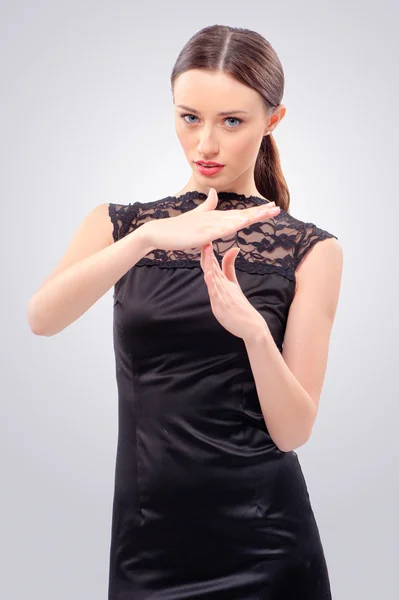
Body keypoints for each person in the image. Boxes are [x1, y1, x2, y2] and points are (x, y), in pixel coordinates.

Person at [28, 24, 343, 600]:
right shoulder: (120, 224)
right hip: (148, 547)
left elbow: (294, 429)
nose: (206, 145)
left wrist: (253, 334)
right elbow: (41, 318)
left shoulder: (310, 249)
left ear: (272, 121)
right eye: (189, 117)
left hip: (267, 546)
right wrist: (147, 239)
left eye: (232, 121)